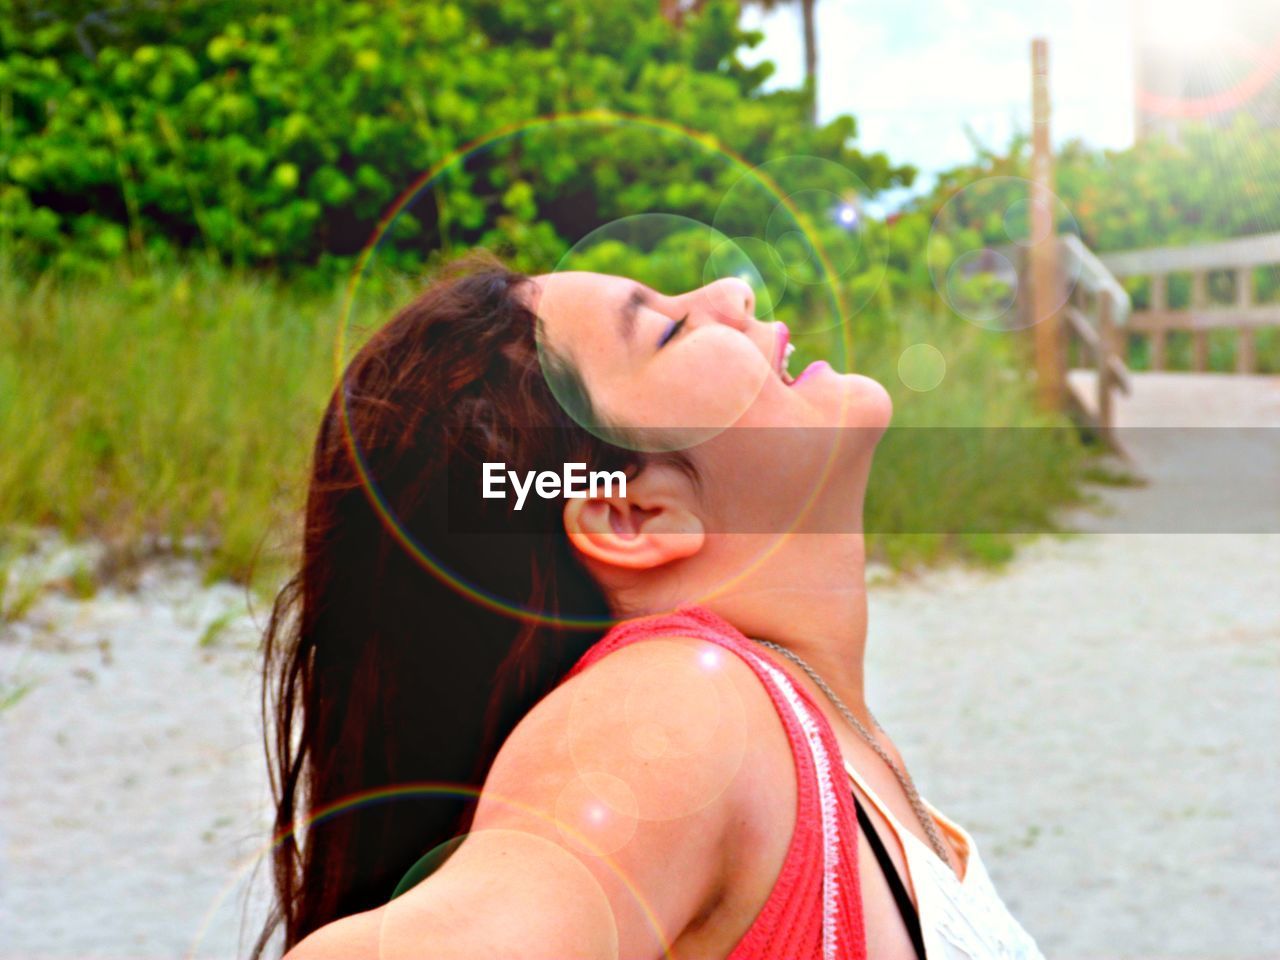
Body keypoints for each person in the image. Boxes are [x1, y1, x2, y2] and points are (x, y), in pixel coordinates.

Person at [259, 253, 1045, 959]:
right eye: (667, 331)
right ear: (633, 516)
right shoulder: (682, 708)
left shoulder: (807, 725)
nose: (732, 292)